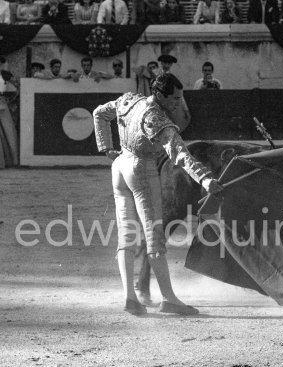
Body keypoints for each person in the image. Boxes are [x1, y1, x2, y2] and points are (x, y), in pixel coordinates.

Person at [93, 73, 223, 316]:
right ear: (160, 95)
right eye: (174, 99)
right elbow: (181, 155)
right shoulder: (156, 119)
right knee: (154, 236)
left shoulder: (129, 100)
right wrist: (205, 179)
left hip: (119, 168)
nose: (178, 103)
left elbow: (99, 113)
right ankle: (169, 298)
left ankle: (130, 298)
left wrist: (106, 148)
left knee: (127, 235)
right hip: (141, 171)